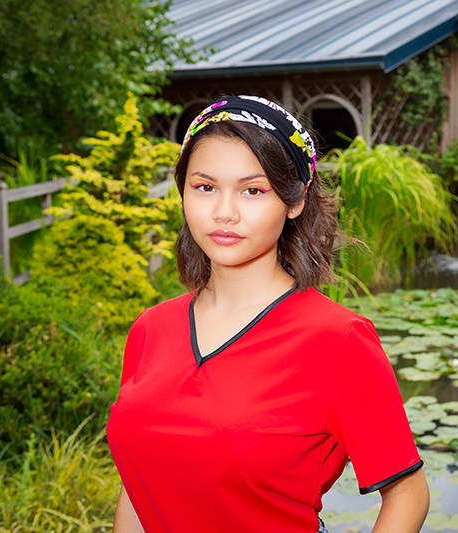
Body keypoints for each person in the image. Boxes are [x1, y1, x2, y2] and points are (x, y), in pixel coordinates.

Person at [106, 96, 430, 533]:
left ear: (294, 201)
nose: (224, 212)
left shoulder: (337, 339)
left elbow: (407, 491)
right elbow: (137, 484)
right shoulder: (151, 328)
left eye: (253, 190)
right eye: (205, 187)